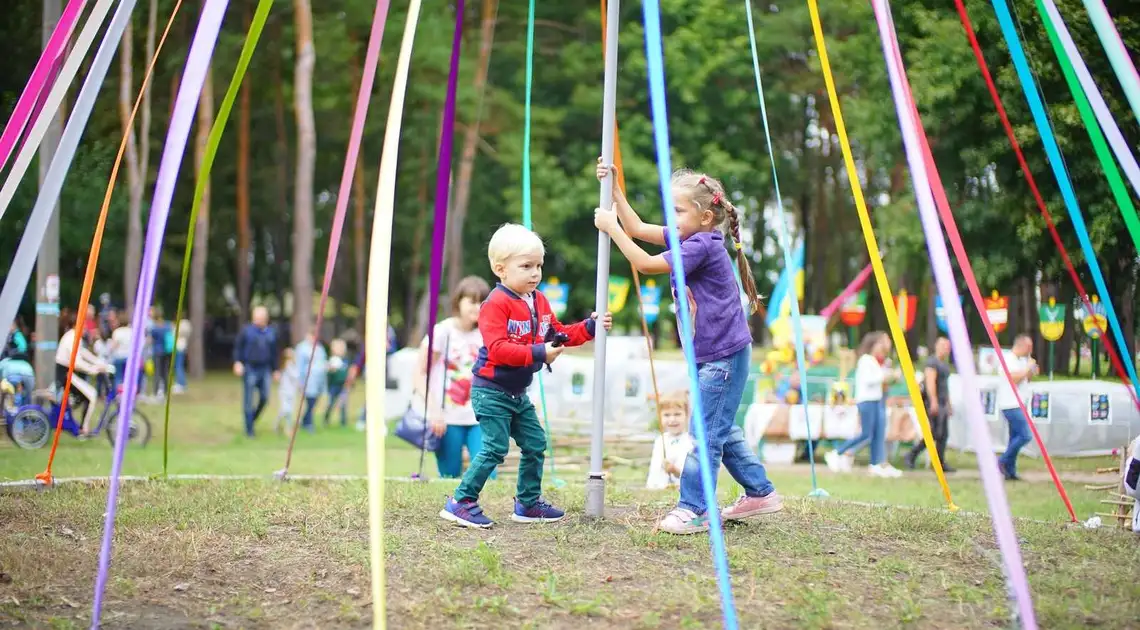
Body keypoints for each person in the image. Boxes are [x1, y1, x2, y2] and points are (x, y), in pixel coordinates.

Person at [593, 161, 783, 535]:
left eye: (678, 211)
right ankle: (760, 493)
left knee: (705, 435)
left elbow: (646, 264)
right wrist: (614, 190)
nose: (671, 218)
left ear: (707, 217)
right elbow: (638, 228)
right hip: (715, 355)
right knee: (720, 429)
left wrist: (611, 229)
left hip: (723, 357)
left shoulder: (701, 246)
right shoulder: (691, 237)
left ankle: (694, 508)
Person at [440, 224, 612, 528]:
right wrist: (538, 353)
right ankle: (461, 501)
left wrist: (588, 327)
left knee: (535, 442)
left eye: (539, 266)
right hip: (491, 390)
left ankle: (527, 503)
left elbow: (557, 333)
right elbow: (499, 350)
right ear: (500, 268)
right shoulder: (494, 304)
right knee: (494, 447)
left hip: (517, 393)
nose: (535, 273)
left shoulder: (539, 301)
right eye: (526, 266)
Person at [415, 275, 492, 478]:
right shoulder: (443, 332)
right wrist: (434, 411)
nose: (477, 308)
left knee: (487, 474)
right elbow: (420, 374)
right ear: (459, 301)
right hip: (447, 418)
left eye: (482, 303)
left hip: (480, 417)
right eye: (472, 302)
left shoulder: (488, 333)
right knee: (449, 476)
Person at [825, 331, 902, 478]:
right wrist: (888, 375)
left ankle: (875, 463)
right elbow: (870, 379)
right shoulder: (865, 360)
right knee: (866, 433)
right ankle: (837, 452)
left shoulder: (873, 360)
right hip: (866, 401)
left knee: (875, 434)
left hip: (875, 400)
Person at [55, 312, 114, 434]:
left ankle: (80, 425)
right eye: (84, 325)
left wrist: (99, 363)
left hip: (68, 373)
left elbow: (83, 353)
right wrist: (93, 369)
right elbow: (76, 361)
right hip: (66, 374)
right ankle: (84, 429)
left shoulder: (73, 336)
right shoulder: (72, 338)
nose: (86, 328)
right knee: (92, 395)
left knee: (86, 395)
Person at [904, 336, 955, 473]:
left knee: (943, 434)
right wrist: (933, 401)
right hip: (934, 402)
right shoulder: (932, 363)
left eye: (948, 347)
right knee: (933, 433)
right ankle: (911, 455)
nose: (947, 350)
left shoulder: (944, 365)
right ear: (937, 346)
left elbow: (945, 387)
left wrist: (949, 404)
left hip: (943, 402)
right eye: (944, 346)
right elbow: (930, 383)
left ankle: (939, 462)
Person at [233, 306, 280, 437]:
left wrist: (275, 369)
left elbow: (274, 352)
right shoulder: (246, 331)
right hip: (250, 368)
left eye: (261, 316)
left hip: (265, 369)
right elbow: (238, 348)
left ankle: (252, 419)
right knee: (248, 399)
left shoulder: (271, 333)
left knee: (265, 397)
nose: (258, 319)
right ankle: (249, 430)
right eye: (256, 316)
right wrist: (237, 362)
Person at [998, 334, 1038, 481]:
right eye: (1029, 348)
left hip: (1019, 402)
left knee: (1014, 437)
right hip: (1010, 404)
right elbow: (1014, 379)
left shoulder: (1021, 360)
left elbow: (1025, 379)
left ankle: (1010, 471)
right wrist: (1027, 367)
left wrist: (1031, 370)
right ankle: (1002, 461)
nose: (1030, 351)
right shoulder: (1007, 359)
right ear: (1020, 346)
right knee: (1025, 435)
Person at [646, 390, 694, 490]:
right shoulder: (660, 440)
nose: (672, 420)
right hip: (658, 489)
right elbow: (655, 470)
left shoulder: (690, 441)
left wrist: (675, 471)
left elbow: (692, 475)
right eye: (667, 415)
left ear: (687, 415)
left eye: (677, 414)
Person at [294, 322, 328, 433]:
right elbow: (299, 365)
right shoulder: (302, 348)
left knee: (313, 402)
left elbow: (322, 362)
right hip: (308, 380)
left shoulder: (320, 348)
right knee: (310, 401)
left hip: (318, 380)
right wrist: (300, 381)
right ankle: (308, 423)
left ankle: (305, 421)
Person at [148, 306, 174, 398]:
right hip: (166, 351)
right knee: (165, 371)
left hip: (157, 351)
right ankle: (166, 391)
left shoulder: (154, 327)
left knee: (157, 372)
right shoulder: (167, 325)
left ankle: (156, 391)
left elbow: (150, 340)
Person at [325, 338, 350, 427]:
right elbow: (328, 373)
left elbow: (347, 372)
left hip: (343, 386)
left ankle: (343, 422)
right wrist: (331, 370)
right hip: (334, 385)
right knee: (331, 402)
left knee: (343, 404)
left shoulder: (345, 360)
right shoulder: (332, 360)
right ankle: (326, 419)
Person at [275, 348, 299, 434]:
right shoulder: (287, 366)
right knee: (285, 410)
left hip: (292, 392)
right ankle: (277, 424)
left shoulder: (294, 366)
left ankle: (288, 428)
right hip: (284, 391)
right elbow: (295, 376)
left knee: (290, 411)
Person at [173, 317, 192, 394]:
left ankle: (181, 384)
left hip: (179, 347)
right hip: (182, 347)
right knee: (179, 366)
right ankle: (180, 383)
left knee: (178, 366)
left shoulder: (183, 324)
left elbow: (176, 333)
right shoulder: (186, 323)